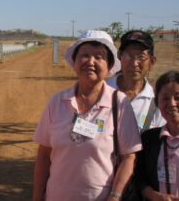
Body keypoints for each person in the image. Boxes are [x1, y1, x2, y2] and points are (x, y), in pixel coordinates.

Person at [33, 30, 142, 201]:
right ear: (75, 62)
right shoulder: (57, 102)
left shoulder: (119, 103)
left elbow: (129, 157)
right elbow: (44, 155)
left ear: (109, 67)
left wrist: (115, 196)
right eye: (84, 55)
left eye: (99, 57)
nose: (90, 62)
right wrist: (37, 197)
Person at [107, 30, 166, 132]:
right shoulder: (102, 92)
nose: (134, 63)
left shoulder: (157, 102)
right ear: (119, 56)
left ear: (152, 62)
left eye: (141, 57)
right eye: (129, 55)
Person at [135, 70, 179, 200]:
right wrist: (154, 196)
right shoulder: (148, 139)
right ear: (157, 103)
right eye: (165, 98)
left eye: (177, 97)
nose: (171, 104)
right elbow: (139, 177)